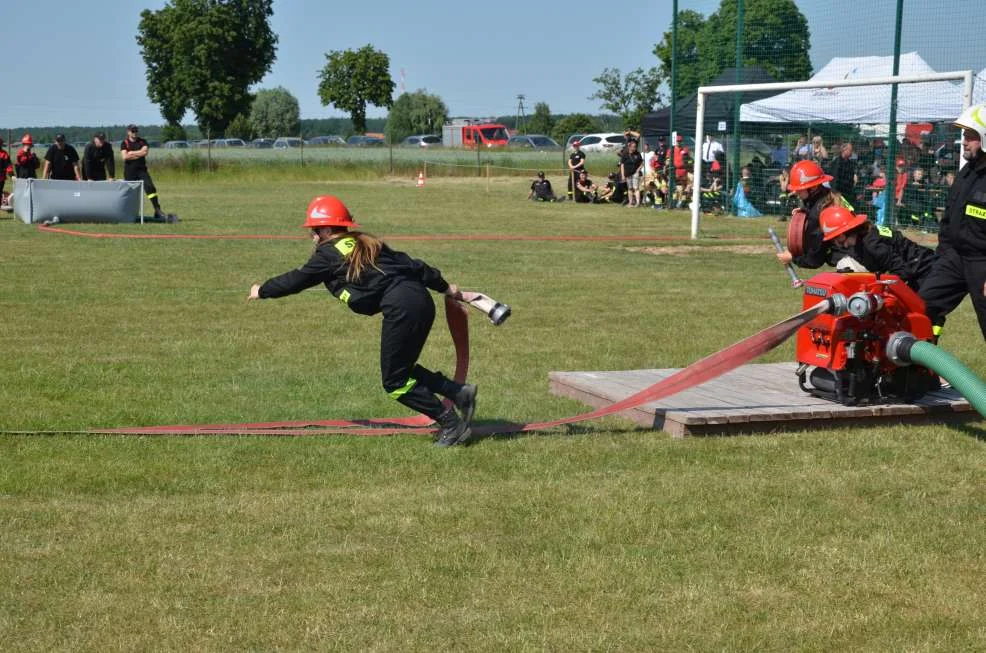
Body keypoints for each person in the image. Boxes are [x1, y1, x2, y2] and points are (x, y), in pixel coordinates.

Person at [248, 195, 478, 447]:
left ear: (325, 229)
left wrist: (262, 290)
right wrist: (444, 286)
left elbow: (296, 279)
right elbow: (413, 265)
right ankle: (459, 393)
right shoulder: (366, 242)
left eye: (313, 231)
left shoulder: (327, 254)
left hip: (402, 308)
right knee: (401, 368)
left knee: (394, 382)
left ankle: (451, 424)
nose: (312, 237)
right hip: (420, 300)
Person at [918, 104, 986, 342]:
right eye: (964, 136)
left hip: (983, 263)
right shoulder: (967, 172)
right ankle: (922, 369)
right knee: (922, 307)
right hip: (955, 258)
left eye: (971, 136)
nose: (964, 142)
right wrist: (943, 255)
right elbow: (949, 218)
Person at [818, 206, 937, 292]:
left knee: (919, 312)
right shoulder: (864, 238)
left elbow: (902, 271)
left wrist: (880, 288)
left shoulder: (871, 244)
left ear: (842, 235)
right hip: (916, 266)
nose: (835, 244)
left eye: (834, 239)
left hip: (924, 269)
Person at [775, 159, 848, 270]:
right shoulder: (831, 196)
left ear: (813, 188)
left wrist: (792, 258)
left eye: (800, 189)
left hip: (855, 259)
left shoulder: (820, 214)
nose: (796, 192)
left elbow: (815, 260)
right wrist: (806, 211)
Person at [121, 124, 177, 223]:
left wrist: (131, 153)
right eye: (133, 131)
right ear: (128, 132)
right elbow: (125, 157)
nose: (135, 133)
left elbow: (145, 152)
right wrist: (138, 153)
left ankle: (157, 210)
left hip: (142, 170)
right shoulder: (124, 143)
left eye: (136, 131)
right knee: (129, 192)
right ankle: (127, 213)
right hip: (130, 171)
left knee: (150, 188)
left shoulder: (143, 141)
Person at [828, 142, 858, 211]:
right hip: (838, 193)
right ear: (844, 150)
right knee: (840, 210)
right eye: (850, 150)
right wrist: (835, 192)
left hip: (848, 192)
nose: (851, 152)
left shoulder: (850, 163)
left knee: (850, 210)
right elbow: (834, 178)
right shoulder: (836, 162)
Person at [620, 140, 643, 207]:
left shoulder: (638, 154)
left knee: (636, 188)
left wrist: (638, 170)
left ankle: (638, 203)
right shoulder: (625, 154)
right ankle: (630, 203)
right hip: (627, 174)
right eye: (633, 147)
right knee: (630, 188)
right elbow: (622, 165)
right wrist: (623, 175)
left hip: (635, 173)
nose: (634, 148)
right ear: (629, 147)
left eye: (635, 147)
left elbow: (641, 163)